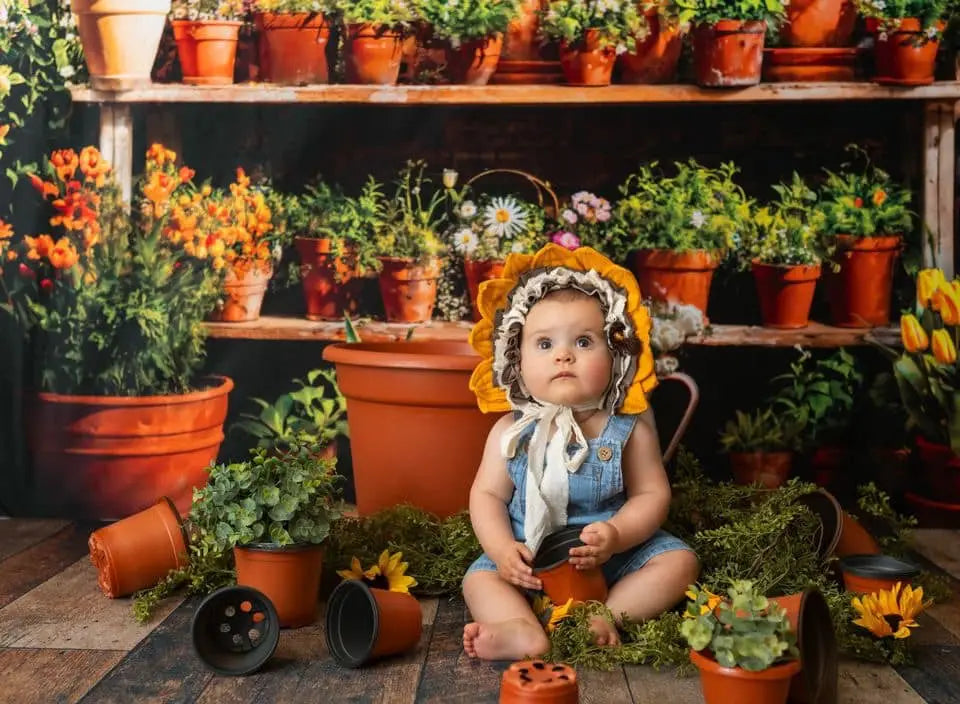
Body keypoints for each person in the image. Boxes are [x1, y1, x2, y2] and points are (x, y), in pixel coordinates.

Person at [461, 244, 700, 661]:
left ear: (617, 355)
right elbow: (486, 497)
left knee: (679, 561)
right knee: (479, 580)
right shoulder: (510, 432)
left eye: (585, 341)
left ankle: (608, 613)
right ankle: (519, 628)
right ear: (515, 360)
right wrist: (502, 551)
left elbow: (652, 495)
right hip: (529, 561)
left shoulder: (628, 430)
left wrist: (617, 535)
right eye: (544, 343)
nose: (563, 354)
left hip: (609, 562)